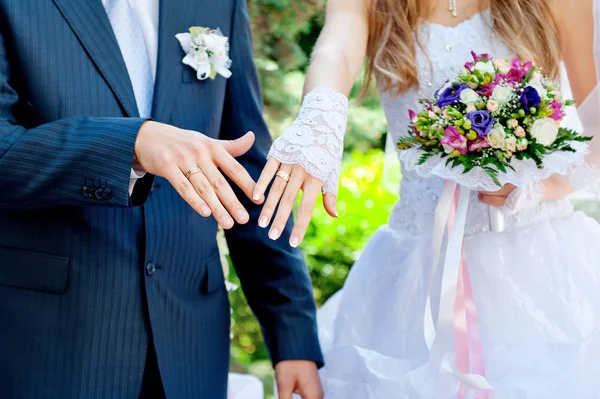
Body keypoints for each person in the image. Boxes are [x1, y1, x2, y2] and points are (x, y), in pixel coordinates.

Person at [254, 0, 600, 397]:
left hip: (543, 272)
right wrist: (320, 117)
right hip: (414, 274)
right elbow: (337, 50)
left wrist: (543, 186)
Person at [0, 0, 324, 398]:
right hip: (50, 343)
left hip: (191, 346)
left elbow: (246, 170)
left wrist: (291, 334)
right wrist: (132, 145)